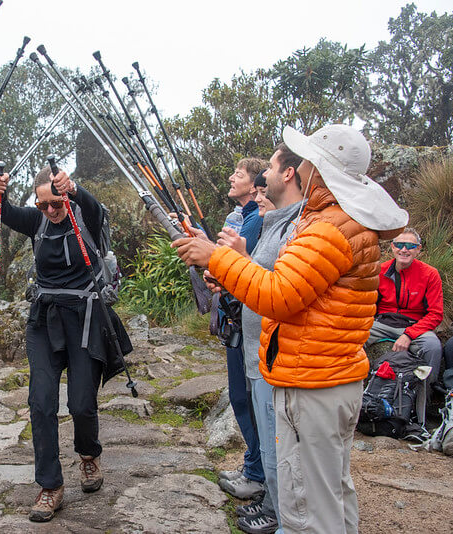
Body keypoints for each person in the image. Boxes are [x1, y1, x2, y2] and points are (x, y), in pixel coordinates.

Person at [175, 124, 407, 533]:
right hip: (328, 374)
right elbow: (293, 286)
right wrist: (228, 267)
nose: (299, 169)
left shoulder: (328, 230)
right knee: (330, 494)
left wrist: (217, 258)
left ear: (317, 170)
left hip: (312, 382)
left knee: (305, 508)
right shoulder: (339, 222)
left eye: (307, 162)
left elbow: (279, 295)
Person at [0, 164, 132, 523]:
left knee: (82, 403)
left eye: (57, 203)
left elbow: (96, 208)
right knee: (40, 402)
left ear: (67, 198)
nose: (50, 211)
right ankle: (50, 486)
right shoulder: (37, 221)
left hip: (84, 318)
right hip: (44, 319)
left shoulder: (87, 220)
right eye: (43, 206)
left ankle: (88, 456)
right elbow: (1, 211)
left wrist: (75, 188)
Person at [208, 144, 304, 534]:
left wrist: (231, 265)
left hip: (275, 356)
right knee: (270, 437)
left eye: (269, 173)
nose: (261, 183)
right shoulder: (272, 223)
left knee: (279, 443)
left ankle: (283, 517)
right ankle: (274, 505)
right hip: (257, 349)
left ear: (288, 175)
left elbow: (276, 288)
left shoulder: (295, 227)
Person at [216, 157, 267, 501]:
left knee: (245, 398)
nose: (232, 177)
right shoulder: (247, 219)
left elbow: (235, 266)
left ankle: (257, 473)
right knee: (243, 398)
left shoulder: (254, 221)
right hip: (238, 319)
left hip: (247, 322)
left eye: (240, 174)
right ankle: (254, 465)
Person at [365, 228, 443, 383]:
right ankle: (358, 387)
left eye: (410, 246)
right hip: (381, 323)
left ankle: (425, 393)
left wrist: (409, 335)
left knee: (432, 346)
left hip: (414, 325)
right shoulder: (380, 271)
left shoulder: (430, 274)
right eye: (399, 245)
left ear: (418, 249)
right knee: (352, 337)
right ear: (392, 246)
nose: (404, 250)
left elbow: (436, 314)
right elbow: (367, 305)